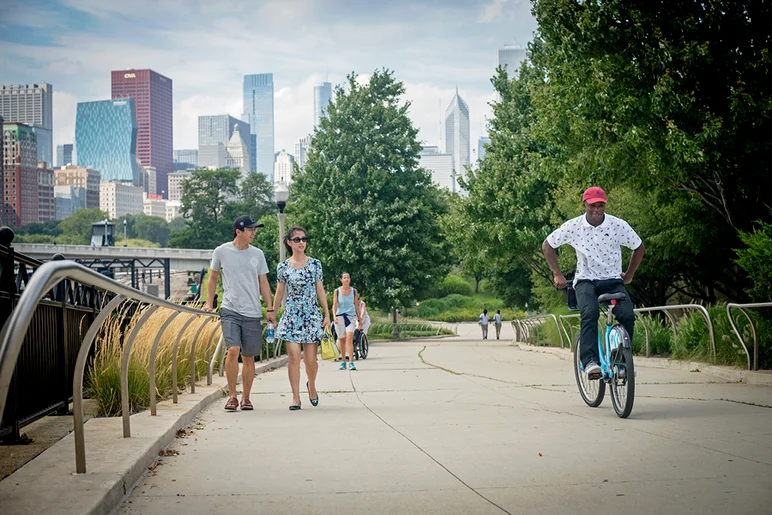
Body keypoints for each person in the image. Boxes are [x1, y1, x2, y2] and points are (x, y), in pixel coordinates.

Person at [542, 186, 645, 378]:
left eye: (600, 205)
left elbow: (638, 247)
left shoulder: (617, 225)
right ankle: (590, 362)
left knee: (627, 315)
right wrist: (557, 273)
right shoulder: (574, 226)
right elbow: (547, 245)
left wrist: (629, 275)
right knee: (590, 313)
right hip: (586, 281)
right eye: (592, 206)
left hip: (613, 280)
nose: (596, 209)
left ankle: (620, 360)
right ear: (584, 205)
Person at [204, 215, 275, 411]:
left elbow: (263, 282)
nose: (254, 232)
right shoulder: (221, 251)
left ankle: (246, 397)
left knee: (249, 356)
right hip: (230, 309)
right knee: (233, 349)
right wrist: (209, 303)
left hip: (252, 311)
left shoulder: (257, 254)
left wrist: (270, 309)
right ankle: (232, 396)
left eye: (255, 229)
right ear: (239, 231)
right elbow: (212, 278)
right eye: (250, 229)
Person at [272, 227, 331, 410]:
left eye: (304, 239)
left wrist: (327, 313)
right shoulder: (283, 267)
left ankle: (311, 385)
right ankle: (296, 397)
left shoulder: (315, 264)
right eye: (297, 239)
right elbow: (280, 291)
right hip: (291, 316)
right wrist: (272, 312)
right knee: (293, 357)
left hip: (311, 315)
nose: (301, 242)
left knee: (311, 360)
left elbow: (320, 289)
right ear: (289, 242)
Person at [332, 272, 362, 370]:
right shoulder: (337, 291)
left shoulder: (354, 291)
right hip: (340, 317)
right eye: (344, 278)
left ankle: (351, 362)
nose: (346, 279)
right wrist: (334, 316)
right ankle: (343, 361)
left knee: (349, 338)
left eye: (348, 277)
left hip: (351, 317)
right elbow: (335, 305)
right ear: (341, 280)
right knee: (342, 339)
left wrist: (360, 320)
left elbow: (356, 305)